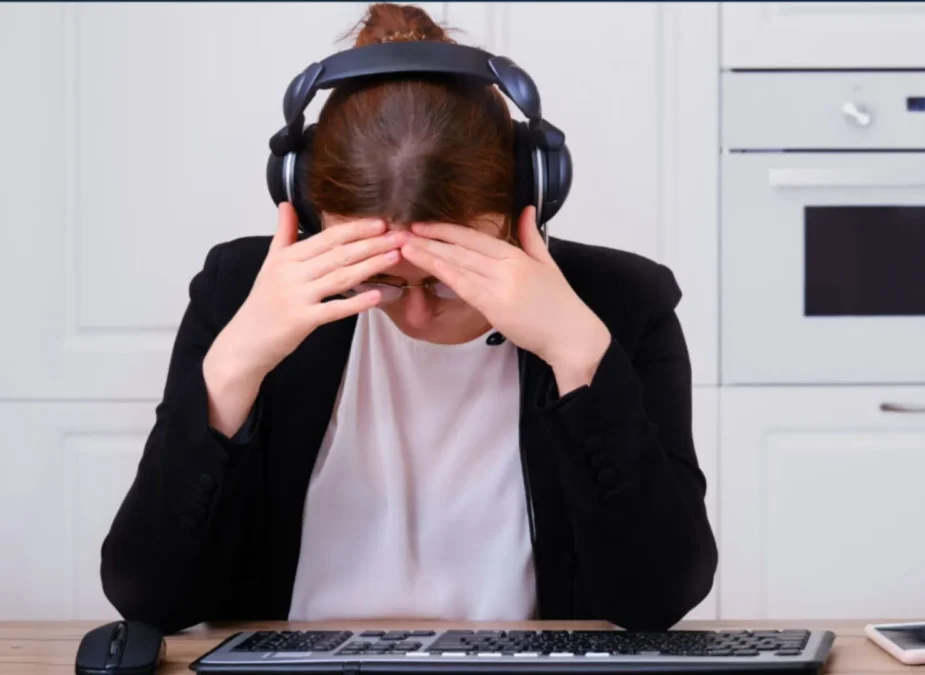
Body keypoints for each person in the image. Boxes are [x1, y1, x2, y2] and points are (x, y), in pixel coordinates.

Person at [100, 2, 717, 635]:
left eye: (448, 279)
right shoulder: (243, 295)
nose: (417, 311)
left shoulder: (620, 305)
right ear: (310, 215)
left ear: (528, 203)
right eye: (380, 279)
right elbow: (153, 600)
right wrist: (233, 370)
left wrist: (580, 358)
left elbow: (657, 599)